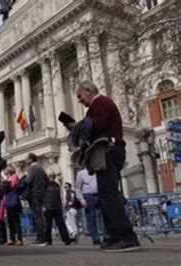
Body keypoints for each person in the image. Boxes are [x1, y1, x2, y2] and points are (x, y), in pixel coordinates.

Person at [75, 80, 140, 252]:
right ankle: (113, 236)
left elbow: (98, 125)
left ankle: (126, 237)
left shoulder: (101, 103)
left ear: (88, 91)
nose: (79, 101)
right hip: (106, 152)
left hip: (109, 151)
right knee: (105, 195)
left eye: (80, 96)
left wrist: (80, 127)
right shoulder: (97, 106)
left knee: (109, 195)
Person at [43, 170, 75, 246]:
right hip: (48, 207)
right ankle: (48, 240)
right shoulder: (44, 185)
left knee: (61, 224)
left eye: (54, 176)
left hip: (57, 207)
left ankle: (66, 239)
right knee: (48, 225)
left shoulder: (57, 185)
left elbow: (58, 196)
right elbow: (41, 196)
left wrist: (60, 204)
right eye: (50, 176)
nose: (52, 177)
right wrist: (43, 206)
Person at [24, 153, 48, 246]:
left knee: (37, 216)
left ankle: (40, 238)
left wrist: (24, 179)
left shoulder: (32, 168)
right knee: (39, 216)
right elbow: (47, 181)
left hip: (34, 194)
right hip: (41, 194)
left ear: (31, 159)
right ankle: (42, 237)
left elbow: (28, 181)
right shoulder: (41, 168)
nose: (25, 161)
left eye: (26, 159)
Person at [75, 168, 101, 245]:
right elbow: (78, 188)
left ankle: (107, 236)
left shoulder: (98, 170)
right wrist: (81, 199)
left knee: (104, 216)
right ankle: (95, 238)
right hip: (88, 196)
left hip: (99, 194)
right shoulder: (81, 173)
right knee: (91, 218)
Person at [1, 166, 23, 246]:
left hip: (13, 201)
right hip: (8, 201)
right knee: (10, 221)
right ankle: (12, 238)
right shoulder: (8, 178)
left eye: (6, 171)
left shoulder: (14, 177)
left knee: (16, 221)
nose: (5, 172)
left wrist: (5, 181)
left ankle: (19, 239)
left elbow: (9, 186)